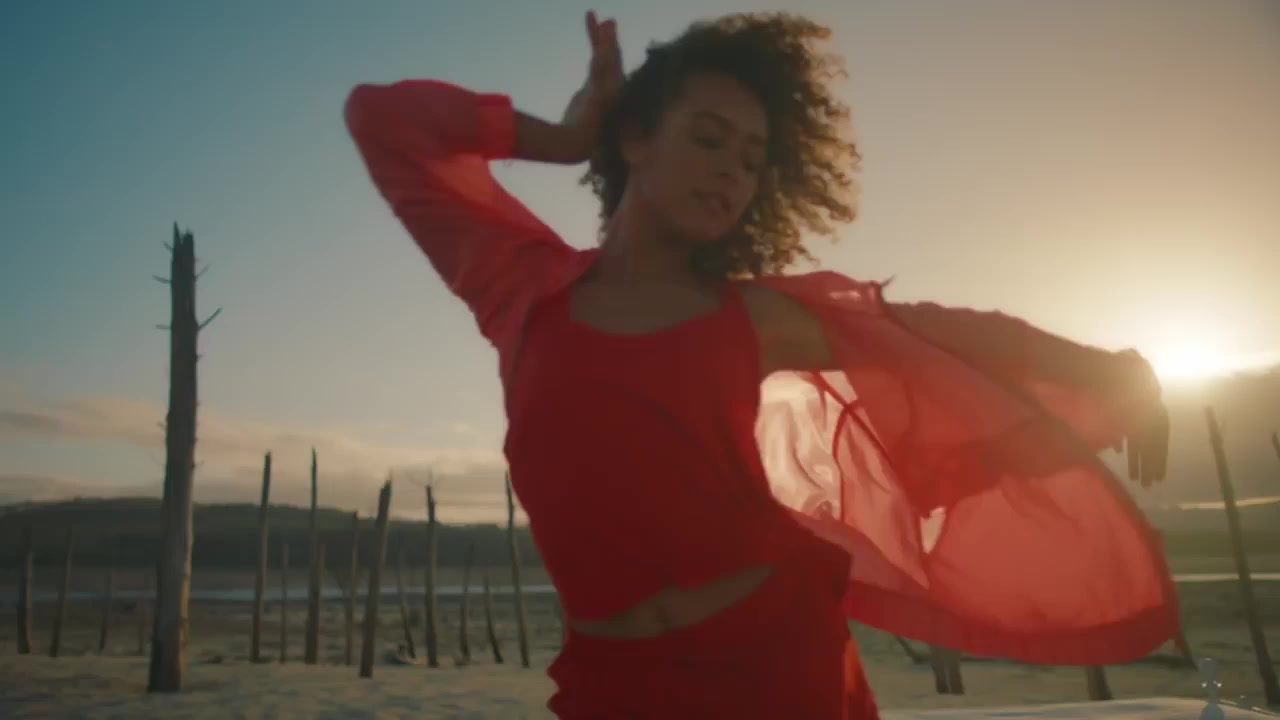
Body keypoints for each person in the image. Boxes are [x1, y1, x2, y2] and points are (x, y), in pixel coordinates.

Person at [344, 11, 1178, 718]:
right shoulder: (523, 290)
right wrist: (564, 137)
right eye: (709, 139)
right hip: (611, 690)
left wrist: (1111, 372)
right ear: (634, 137)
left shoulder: (753, 318)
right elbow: (382, 118)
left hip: (779, 669)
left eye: (751, 160)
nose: (731, 172)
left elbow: (940, 336)